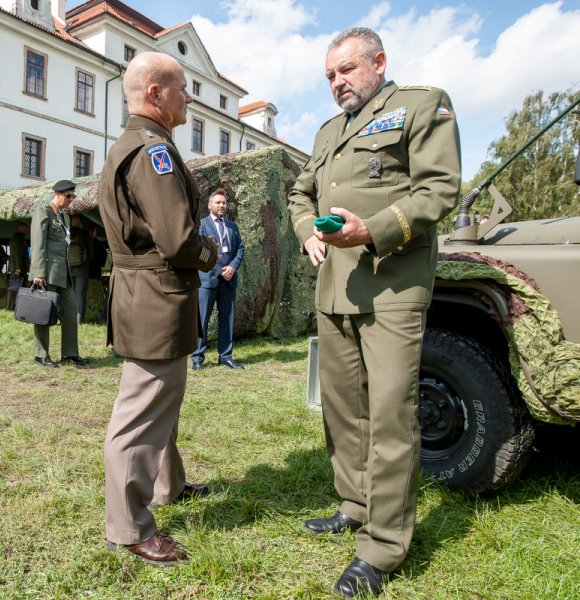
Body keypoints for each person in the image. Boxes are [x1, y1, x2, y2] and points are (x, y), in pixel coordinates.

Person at [287, 28, 461, 598]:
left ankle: (383, 546)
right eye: (329, 76)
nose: (337, 83)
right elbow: (300, 192)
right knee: (343, 411)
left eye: (346, 70)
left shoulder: (420, 105)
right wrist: (306, 230)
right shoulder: (327, 131)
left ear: (378, 62)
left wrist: (374, 229)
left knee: (389, 416)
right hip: (335, 288)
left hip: (392, 285)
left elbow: (439, 189)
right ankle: (355, 505)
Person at [98, 51, 218, 566]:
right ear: (155, 93)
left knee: (160, 402)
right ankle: (129, 527)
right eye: (182, 88)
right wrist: (212, 253)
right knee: (140, 416)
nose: (188, 97)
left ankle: (168, 485)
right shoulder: (153, 152)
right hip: (155, 295)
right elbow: (178, 240)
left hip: (146, 293)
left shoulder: (137, 144)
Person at [28, 179, 87, 368]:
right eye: (68, 196)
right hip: (47, 272)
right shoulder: (43, 212)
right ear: (57, 194)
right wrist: (38, 272)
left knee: (71, 310)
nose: (71, 199)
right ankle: (41, 355)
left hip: (64, 273)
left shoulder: (65, 217)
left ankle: (70, 353)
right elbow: (38, 244)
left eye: (73, 196)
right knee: (44, 311)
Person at [191, 191, 246, 370]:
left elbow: (240, 248)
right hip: (207, 280)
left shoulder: (232, 226)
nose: (222, 205)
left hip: (229, 281)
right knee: (202, 320)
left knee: (227, 319)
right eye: (218, 202)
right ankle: (197, 358)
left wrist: (233, 267)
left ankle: (226, 356)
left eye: (224, 202)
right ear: (209, 205)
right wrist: (218, 269)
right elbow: (199, 251)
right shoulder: (202, 226)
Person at [68, 216, 91, 323]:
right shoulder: (85, 234)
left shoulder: (67, 234)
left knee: (69, 294)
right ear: (81, 224)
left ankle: (69, 318)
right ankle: (79, 320)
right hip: (82, 269)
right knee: (80, 295)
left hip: (69, 268)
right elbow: (90, 252)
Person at [7, 223, 30, 310]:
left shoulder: (16, 237)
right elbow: (18, 253)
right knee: (16, 286)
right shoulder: (19, 238)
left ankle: (13, 306)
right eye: (26, 229)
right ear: (20, 229)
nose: (27, 231)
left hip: (16, 267)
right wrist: (18, 268)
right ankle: (13, 306)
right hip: (18, 268)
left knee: (15, 286)